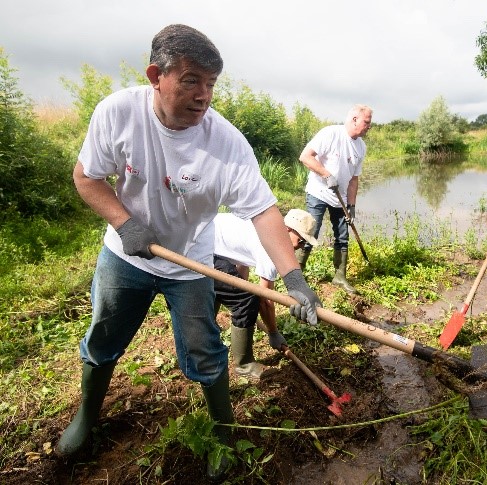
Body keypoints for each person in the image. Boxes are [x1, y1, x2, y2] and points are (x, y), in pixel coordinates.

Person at [58, 24, 321, 479]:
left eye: (211, 84)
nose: (204, 96)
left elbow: (263, 212)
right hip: (126, 257)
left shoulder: (226, 142)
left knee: (204, 349)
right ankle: (86, 416)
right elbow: (87, 178)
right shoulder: (118, 112)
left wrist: (294, 278)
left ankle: (223, 432)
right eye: (192, 80)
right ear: (157, 75)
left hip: (191, 262)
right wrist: (125, 223)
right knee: (104, 337)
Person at [213, 209, 319, 379]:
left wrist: (240, 288)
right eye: (300, 240)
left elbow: (240, 263)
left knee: (227, 289)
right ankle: (244, 365)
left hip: (207, 241)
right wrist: (273, 333)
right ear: (288, 230)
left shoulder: (263, 226)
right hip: (203, 247)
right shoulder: (271, 246)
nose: (301, 246)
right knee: (247, 300)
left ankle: (207, 329)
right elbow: (264, 298)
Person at [298, 104, 373, 295]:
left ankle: (339, 277)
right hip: (319, 193)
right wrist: (326, 174)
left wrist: (352, 206)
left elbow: (354, 179)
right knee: (310, 233)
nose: (369, 126)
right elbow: (305, 157)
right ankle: (297, 277)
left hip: (341, 199)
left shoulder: (361, 147)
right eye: (367, 122)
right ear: (354, 119)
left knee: (342, 237)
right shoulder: (330, 133)